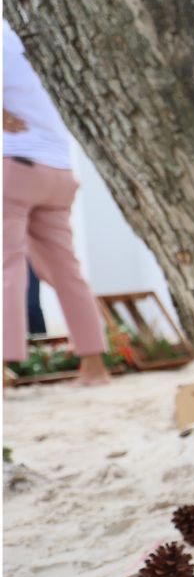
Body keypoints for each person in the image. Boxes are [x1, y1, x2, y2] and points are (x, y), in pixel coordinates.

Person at [3, 20, 108, 386]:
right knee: (67, 270)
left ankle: (4, 366)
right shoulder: (41, 36)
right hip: (60, 170)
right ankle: (94, 366)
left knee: (7, 268)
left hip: (14, 166)